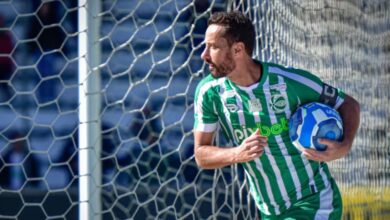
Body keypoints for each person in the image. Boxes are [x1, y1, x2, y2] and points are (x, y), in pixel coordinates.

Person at [193, 11, 360, 219]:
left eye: (214, 47)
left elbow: (349, 105)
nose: (204, 55)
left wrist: (344, 146)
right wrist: (236, 153)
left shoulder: (290, 82)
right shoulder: (209, 92)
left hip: (314, 202)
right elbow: (201, 154)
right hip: (270, 211)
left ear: (238, 49)